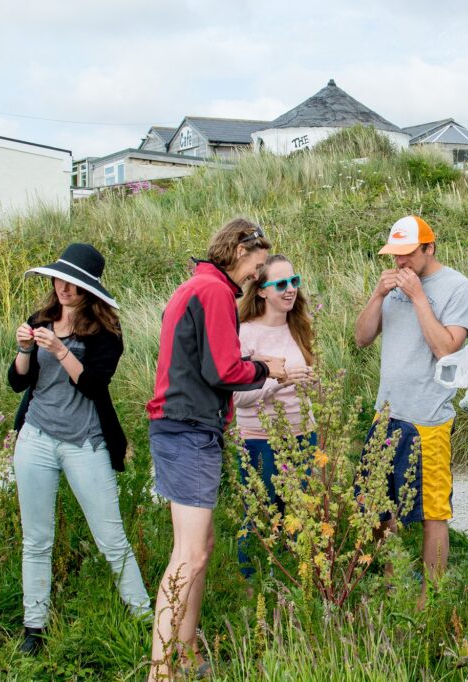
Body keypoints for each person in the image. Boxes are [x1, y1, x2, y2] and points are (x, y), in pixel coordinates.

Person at [146, 219, 287, 680]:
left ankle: (184, 655)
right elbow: (223, 370)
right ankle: (161, 670)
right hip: (186, 428)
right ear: (239, 251)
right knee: (189, 553)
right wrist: (266, 367)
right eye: (257, 264)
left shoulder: (201, 285)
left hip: (187, 426)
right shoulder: (213, 292)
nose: (257, 275)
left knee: (201, 546)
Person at [8, 243, 150, 655]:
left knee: (112, 538)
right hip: (35, 437)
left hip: (84, 442)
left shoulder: (107, 332)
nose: (63, 288)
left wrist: (60, 350)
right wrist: (24, 350)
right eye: (59, 279)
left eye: (72, 283)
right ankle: (34, 626)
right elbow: (19, 383)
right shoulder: (39, 320)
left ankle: (143, 615)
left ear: (88, 289)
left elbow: (92, 385)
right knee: (36, 540)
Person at [354, 215, 468, 586]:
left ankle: (430, 597)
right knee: (373, 506)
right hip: (386, 414)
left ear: (430, 248)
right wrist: (377, 295)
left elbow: (445, 349)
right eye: (395, 255)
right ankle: (394, 582)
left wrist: (419, 298)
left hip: (428, 419)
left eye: (408, 254)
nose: (400, 263)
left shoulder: (456, 287)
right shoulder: (390, 287)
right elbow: (361, 338)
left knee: (432, 512)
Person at [233, 255, 317, 581]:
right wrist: (277, 379)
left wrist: (310, 381)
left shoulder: (299, 326)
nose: (290, 290)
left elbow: (306, 380)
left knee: (301, 517)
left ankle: (295, 587)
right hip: (259, 439)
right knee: (260, 519)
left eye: (294, 282)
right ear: (262, 291)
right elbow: (238, 397)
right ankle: (254, 591)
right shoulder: (245, 333)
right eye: (281, 284)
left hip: (302, 435)